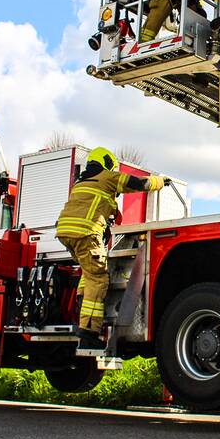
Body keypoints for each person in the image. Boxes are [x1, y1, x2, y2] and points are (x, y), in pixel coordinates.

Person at [55, 147, 167, 349]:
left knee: (89, 272)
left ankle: (82, 300)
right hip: (86, 233)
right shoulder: (107, 177)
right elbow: (139, 183)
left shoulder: (81, 183)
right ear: (107, 162)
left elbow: (98, 205)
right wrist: (160, 182)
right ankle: (88, 331)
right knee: (98, 278)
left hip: (66, 234)